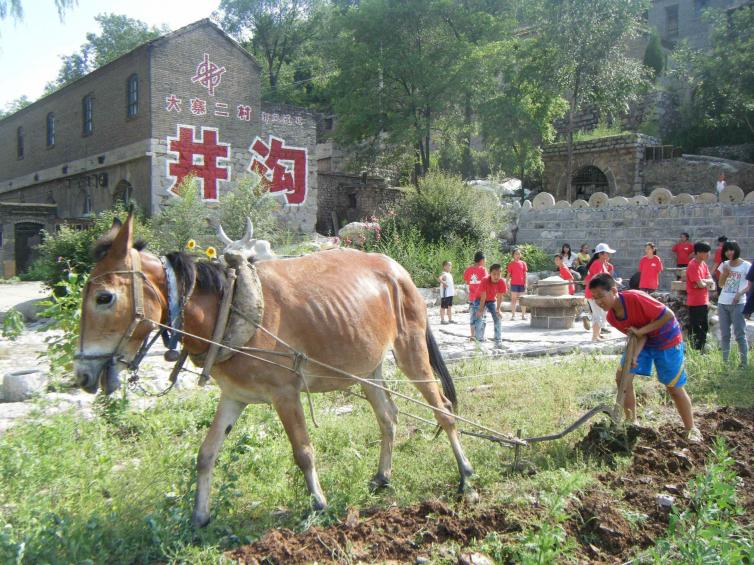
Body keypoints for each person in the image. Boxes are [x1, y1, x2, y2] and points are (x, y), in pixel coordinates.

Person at [589, 273, 702, 442]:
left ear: (613, 291)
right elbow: (639, 335)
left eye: (600, 296)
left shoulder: (635, 297)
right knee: (623, 378)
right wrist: (634, 356)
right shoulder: (612, 317)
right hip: (645, 340)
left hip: (667, 339)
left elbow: (668, 315)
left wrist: (641, 331)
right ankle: (631, 422)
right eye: (594, 298)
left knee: (673, 387)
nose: (598, 301)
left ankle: (691, 428)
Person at [717, 241, 751, 367]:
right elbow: (720, 284)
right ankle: (725, 363)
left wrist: (740, 293)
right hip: (723, 302)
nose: (729, 253)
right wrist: (725, 274)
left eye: (731, 250)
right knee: (725, 335)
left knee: (739, 334)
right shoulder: (724, 264)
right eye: (726, 250)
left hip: (738, 303)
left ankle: (744, 363)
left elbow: (750, 285)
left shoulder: (746, 265)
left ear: (736, 250)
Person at [583, 243, 616, 341]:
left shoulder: (601, 264)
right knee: (597, 314)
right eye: (606, 253)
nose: (608, 255)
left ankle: (597, 333)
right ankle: (595, 336)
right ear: (600, 254)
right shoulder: (597, 264)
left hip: (597, 294)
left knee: (601, 313)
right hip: (594, 294)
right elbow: (597, 281)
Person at [686, 242, 713, 351]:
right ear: (698, 253)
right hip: (695, 302)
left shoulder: (703, 264)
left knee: (704, 327)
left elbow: (710, 280)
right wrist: (705, 282)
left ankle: (701, 349)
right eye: (705, 252)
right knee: (696, 328)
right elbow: (700, 284)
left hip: (704, 301)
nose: (708, 254)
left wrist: (704, 281)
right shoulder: (693, 265)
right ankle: (695, 349)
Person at [474, 264, 508, 348]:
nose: (496, 276)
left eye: (498, 274)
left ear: (501, 273)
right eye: (494, 274)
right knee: (480, 319)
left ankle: (498, 341)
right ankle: (479, 342)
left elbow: (500, 296)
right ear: (490, 273)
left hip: (492, 300)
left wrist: (498, 309)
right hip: (480, 299)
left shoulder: (501, 282)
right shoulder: (485, 280)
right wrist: (480, 310)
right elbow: (483, 297)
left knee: (498, 317)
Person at [463, 251, 487, 341]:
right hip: (481, 298)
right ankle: (480, 337)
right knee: (482, 317)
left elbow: (466, 280)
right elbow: (487, 283)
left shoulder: (468, 269)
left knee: (472, 317)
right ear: (481, 260)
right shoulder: (483, 269)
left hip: (472, 297)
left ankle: (472, 335)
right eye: (484, 260)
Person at [506, 248, 528, 320]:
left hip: (522, 284)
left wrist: (526, 283)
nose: (518, 255)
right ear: (513, 255)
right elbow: (508, 274)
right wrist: (507, 283)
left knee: (523, 300)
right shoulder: (511, 264)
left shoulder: (523, 263)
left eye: (519, 254)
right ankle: (513, 315)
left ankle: (523, 315)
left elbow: (525, 274)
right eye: (516, 254)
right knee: (513, 300)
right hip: (514, 284)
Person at [438, 260, 455, 325]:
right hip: (445, 294)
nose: (450, 267)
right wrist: (443, 283)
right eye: (449, 265)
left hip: (450, 293)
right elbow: (439, 278)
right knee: (443, 307)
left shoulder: (449, 274)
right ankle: (442, 320)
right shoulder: (443, 274)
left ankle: (450, 319)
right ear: (444, 266)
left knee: (449, 306)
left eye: (450, 265)